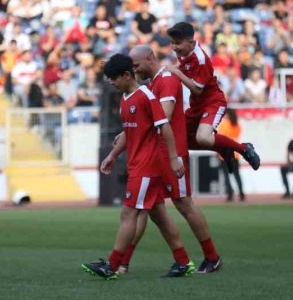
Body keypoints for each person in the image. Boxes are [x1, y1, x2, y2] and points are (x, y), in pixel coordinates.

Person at [112, 45, 223, 274]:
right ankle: (125, 263)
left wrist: (172, 156)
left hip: (172, 154)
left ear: (149, 59)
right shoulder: (152, 84)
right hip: (155, 156)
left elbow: (162, 117)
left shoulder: (168, 80)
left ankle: (212, 256)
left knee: (183, 203)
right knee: (148, 209)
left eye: (136, 65)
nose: (134, 70)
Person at [84, 54, 193, 280]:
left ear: (126, 75)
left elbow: (165, 127)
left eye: (114, 78)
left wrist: (173, 158)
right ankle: (183, 262)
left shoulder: (146, 96)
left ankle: (112, 266)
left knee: (128, 213)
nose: (111, 82)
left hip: (147, 166)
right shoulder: (125, 98)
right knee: (160, 216)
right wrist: (113, 155)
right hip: (138, 165)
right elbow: (130, 132)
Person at [166, 22, 261, 171]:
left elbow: (197, 89)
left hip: (213, 103)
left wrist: (176, 73)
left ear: (191, 43)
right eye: (172, 43)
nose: (174, 47)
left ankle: (243, 148)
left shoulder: (200, 58)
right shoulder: (184, 53)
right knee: (178, 139)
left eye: (178, 43)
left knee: (203, 138)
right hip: (196, 105)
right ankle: (223, 148)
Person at [217, 109, 245, 202]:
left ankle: (230, 194)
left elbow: (220, 138)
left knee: (226, 175)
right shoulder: (237, 125)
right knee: (237, 175)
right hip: (235, 154)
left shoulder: (224, 124)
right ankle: (241, 193)